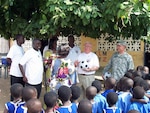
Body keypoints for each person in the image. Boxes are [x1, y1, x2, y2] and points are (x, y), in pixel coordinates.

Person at [7, 34, 25, 100]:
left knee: (21, 91)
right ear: (18, 39)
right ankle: (13, 105)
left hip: (21, 74)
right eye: (22, 38)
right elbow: (8, 58)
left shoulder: (21, 48)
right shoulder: (14, 48)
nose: (24, 40)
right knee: (15, 91)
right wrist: (13, 64)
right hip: (15, 74)